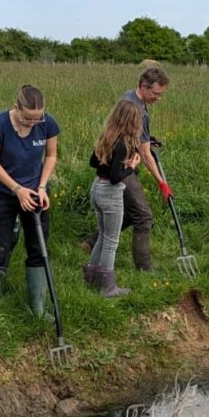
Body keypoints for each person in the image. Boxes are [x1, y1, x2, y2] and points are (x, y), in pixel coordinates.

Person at [0, 84, 60, 323]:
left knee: (38, 247)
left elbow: (51, 156)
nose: (34, 122)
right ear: (16, 108)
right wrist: (17, 189)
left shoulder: (48, 123)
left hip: (36, 194)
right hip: (4, 193)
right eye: (28, 118)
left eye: (38, 118)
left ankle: (38, 306)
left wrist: (41, 187)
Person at [83, 100, 143, 298]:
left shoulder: (107, 136)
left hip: (97, 189)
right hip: (110, 192)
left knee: (102, 235)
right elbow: (117, 177)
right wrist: (131, 166)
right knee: (111, 241)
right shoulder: (124, 145)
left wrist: (108, 162)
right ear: (133, 122)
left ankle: (91, 276)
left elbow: (93, 162)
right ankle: (108, 287)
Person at [118, 68, 171, 272]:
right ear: (143, 86)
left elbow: (137, 136)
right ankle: (145, 269)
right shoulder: (138, 110)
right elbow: (146, 155)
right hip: (123, 166)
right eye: (155, 94)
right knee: (143, 215)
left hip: (119, 162)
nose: (158, 98)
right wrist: (162, 183)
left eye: (161, 95)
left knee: (130, 213)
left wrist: (148, 137)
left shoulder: (129, 97)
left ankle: (90, 243)